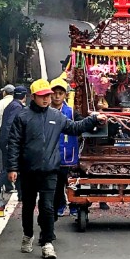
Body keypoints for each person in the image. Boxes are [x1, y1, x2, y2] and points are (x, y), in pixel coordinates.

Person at [6, 78, 107, 259]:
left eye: (48, 96)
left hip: (50, 169)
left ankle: (47, 243)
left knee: (47, 207)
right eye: (42, 96)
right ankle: (28, 234)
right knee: (28, 206)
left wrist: (93, 119)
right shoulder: (23, 117)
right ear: (34, 96)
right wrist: (12, 167)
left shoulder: (57, 116)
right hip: (28, 170)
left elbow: (75, 128)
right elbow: (13, 143)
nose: (46, 99)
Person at [0, 85, 28, 203]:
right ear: (25, 96)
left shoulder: (12, 105)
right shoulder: (17, 107)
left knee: (18, 166)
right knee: (10, 167)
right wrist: (13, 141)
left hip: (5, 140)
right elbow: (11, 125)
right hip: (10, 142)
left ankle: (21, 195)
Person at [50, 77, 79, 218]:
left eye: (60, 93)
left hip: (69, 153)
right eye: (54, 93)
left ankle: (74, 205)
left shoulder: (71, 111)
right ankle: (60, 205)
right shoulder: (45, 111)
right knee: (57, 183)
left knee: (71, 181)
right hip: (51, 153)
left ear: (65, 95)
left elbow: (81, 125)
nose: (57, 96)